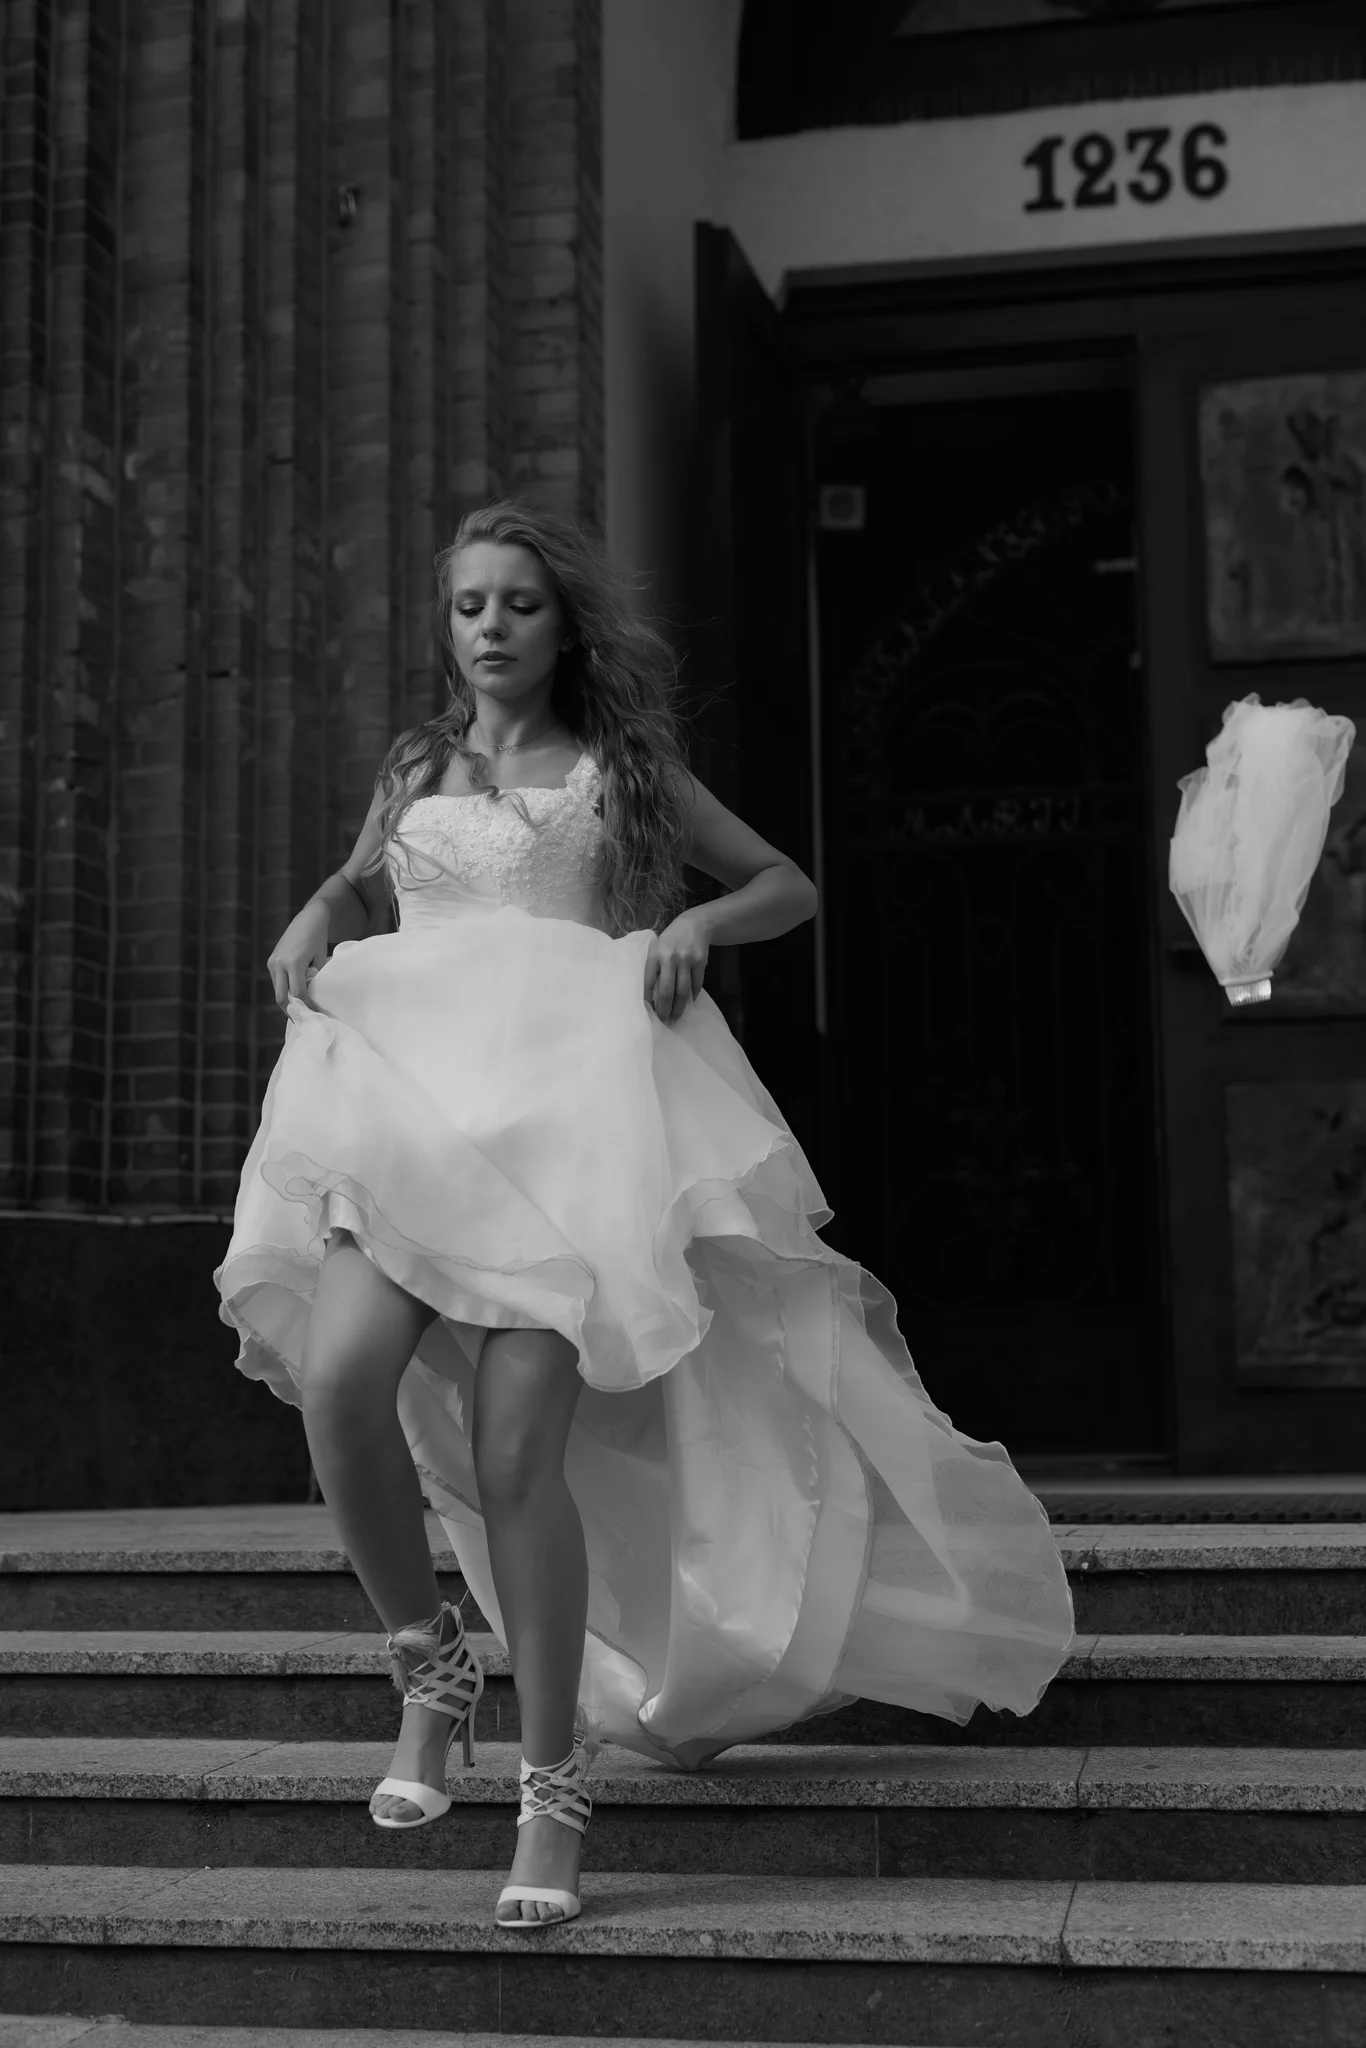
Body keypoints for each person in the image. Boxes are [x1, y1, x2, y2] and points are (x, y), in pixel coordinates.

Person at [216, 499, 1074, 1932]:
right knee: (339, 1382)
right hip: (409, 1115)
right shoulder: (417, 762)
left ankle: (553, 1792)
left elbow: (782, 885)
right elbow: (368, 875)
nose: (489, 628)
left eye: (518, 606)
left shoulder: (623, 765)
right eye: (469, 606)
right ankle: (430, 1663)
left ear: (565, 627)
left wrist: (687, 924)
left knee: (509, 1454)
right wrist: (316, 908)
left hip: (570, 1138)